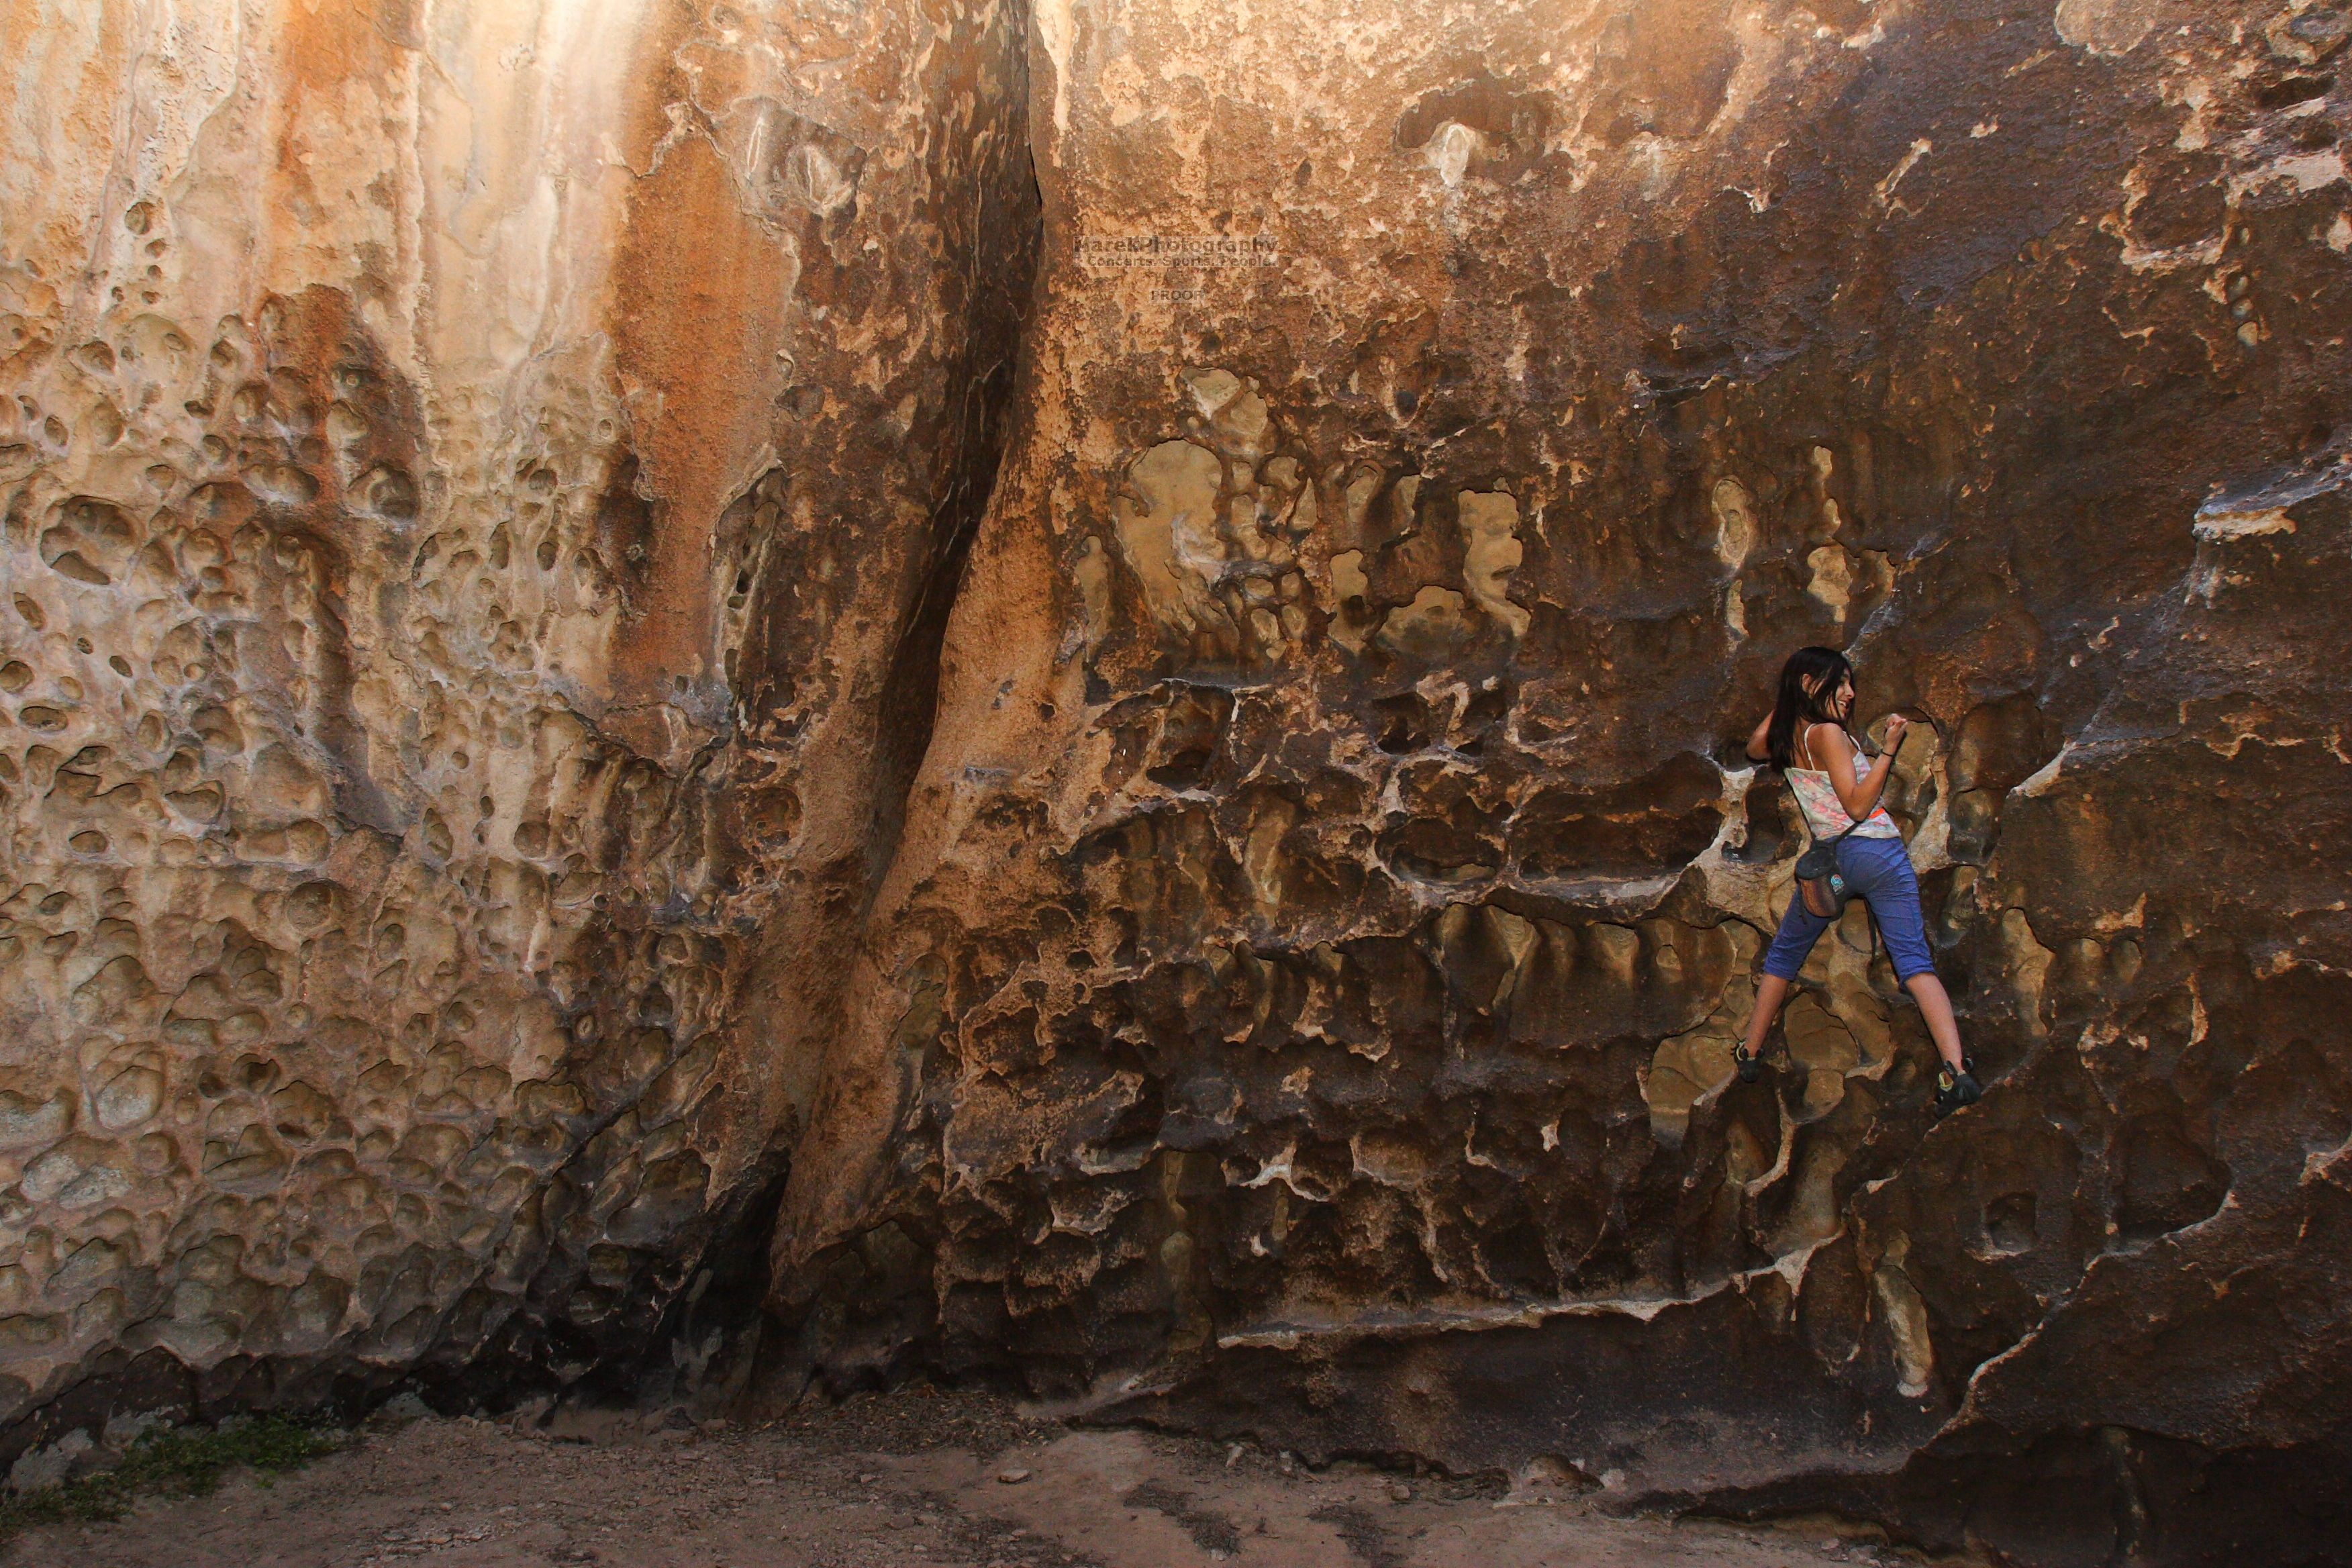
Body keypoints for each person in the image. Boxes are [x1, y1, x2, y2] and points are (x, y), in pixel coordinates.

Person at [1738, 646, 1982, 1118]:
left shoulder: (1791, 734)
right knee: (1914, 962)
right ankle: (1956, 1070)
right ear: (1812, 684)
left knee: (1785, 953)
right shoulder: (1828, 732)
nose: (1850, 693)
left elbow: (1754, 746)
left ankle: (1749, 1052)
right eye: (1840, 683)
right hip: (1875, 853)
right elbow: (1855, 804)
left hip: (1831, 860)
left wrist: (1792, 695)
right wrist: (1889, 750)